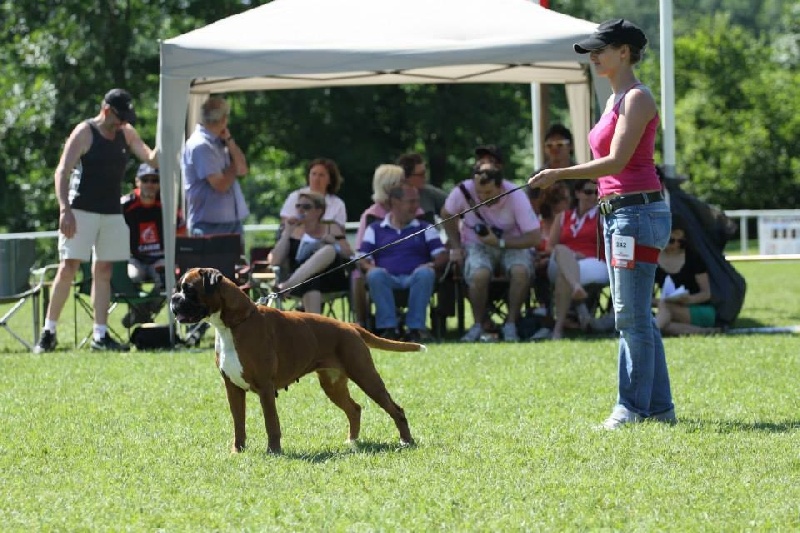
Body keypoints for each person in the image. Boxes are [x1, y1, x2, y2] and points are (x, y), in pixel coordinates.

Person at [528, 19, 674, 429]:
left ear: (623, 51)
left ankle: (630, 408)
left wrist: (558, 174)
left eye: (600, 49)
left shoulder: (637, 98)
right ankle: (660, 409)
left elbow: (617, 162)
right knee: (637, 316)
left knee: (628, 315)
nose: (593, 56)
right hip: (620, 214)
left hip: (637, 214)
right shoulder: (613, 100)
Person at [34, 88, 158, 353]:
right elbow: (62, 171)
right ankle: (48, 332)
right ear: (106, 110)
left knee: (104, 271)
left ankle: (100, 336)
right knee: (68, 267)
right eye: (120, 116)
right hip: (80, 210)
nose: (123, 121)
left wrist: (168, 135)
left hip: (112, 212)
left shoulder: (126, 132)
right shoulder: (85, 132)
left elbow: (150, 158)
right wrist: (64, 209)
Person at [443, 163, 541, 342]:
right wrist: (456, 246)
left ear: (500, 186)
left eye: (488, 193)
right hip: (476, 244)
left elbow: (534, 237)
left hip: (512, 243)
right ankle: (478, 325)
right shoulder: (464, 190)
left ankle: (511, 325)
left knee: (520, 271)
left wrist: (500, 242)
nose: (482, 197)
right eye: (479, 193)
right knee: (479, 274)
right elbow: (446, 215)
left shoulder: (515, 195)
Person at [358, 183, 448, 342]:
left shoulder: (425, 227)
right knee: (375, 275)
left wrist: (432, 265)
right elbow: (362, 258)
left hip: (415, 277)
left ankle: (415, 329)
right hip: (387, 278)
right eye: (411, 201)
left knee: (426, 273)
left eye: (417, 201)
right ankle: (389, 329)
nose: (416, 206)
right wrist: (371, 268)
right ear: (395, 202)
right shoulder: (375, 228)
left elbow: (441, 255)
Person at [352, 164, 425, 326]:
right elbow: (361, 251)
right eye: (400, 181)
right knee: (357, 276)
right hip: (380, 268)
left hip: (413, 267)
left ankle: (416, 325)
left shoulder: (415, 211)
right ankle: (363, 321)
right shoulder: (371, 216)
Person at [120, 163, 185, 327]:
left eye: (154, 180)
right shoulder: (124, 205)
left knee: (168, 279)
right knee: (130, 277)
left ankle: (141, 313)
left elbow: (182, 231)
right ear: (137, 181)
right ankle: (142, 313)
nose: (150, 184)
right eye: (145, 179)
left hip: (160, 259)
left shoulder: (168, 204)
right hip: (135, 258)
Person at [544, 179, 608, 340]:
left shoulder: (603, 216)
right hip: (562, 260)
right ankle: (576, 288)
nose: (593, 196)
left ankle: (558, 329)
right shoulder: (563, 217)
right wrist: (572, 255)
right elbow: (549, 247)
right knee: (561, 249)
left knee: (563, 276)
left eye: (597, 192)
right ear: (577, 193)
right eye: (588, 192)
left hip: (592, 261)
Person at [269, 192, 352, 315]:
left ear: (319, 210)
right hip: (302, 282)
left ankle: (287, 286)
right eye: (298, 206)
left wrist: (335, 243)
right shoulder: (290, 230)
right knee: (310, 282)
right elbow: (274, 261)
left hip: (330, 279)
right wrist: (286, 233)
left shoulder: (331, 227)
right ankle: (315, 331)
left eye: (306, 207)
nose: (301, 210)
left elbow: (349, 254)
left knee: (329, 250)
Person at [182, 95, 249, 238]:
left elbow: (243, 169)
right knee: (211, 261)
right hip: (208, 226)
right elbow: (220, 185)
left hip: (231, 223)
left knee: (236, 261)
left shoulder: (221, 140)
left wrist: (230, 141)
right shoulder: (201, 145)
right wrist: (233, 166)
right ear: (224, 119)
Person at [655, 217, 719, 336]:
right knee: (666, 322)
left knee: (665, 308)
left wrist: (688, 300)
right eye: (671, 240)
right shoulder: (654, 260)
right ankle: (704, 332)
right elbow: (647, 298)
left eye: (681, 242)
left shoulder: (694, 258)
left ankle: (652, 332)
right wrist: (661, 301)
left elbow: (706, 294)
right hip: (668, 308)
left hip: (699, 308)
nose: (677, 245)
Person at [280, 158, 347, 228]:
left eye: (321, 175)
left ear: (330, 180)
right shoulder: (295, 197)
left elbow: (339, 231)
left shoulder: (338, 204)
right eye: (313, 174)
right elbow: (284, 223)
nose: (316, 179)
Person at [396, 152, 447, 223]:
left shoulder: (429, 192)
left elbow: (454, 206)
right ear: (406, 177)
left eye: (425, 173)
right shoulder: (393, 197)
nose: (425, 177)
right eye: (421, 174)